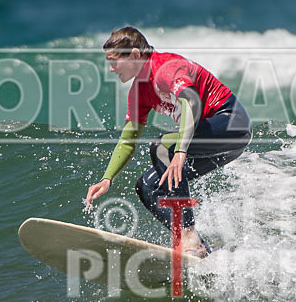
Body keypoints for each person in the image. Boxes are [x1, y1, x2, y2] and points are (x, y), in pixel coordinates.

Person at [84, 27, 251, 257]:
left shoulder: (165, 68)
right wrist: (107, 178)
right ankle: (201, 250)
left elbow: (192, 101)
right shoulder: (138, 91)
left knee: (163, 146)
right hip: (209, 139)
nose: (111, 69)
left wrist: (180, 151)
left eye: (114, 62)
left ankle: (189, 235)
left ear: (134, 55)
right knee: (147, 186)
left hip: (231, 123)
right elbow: (128, 139)